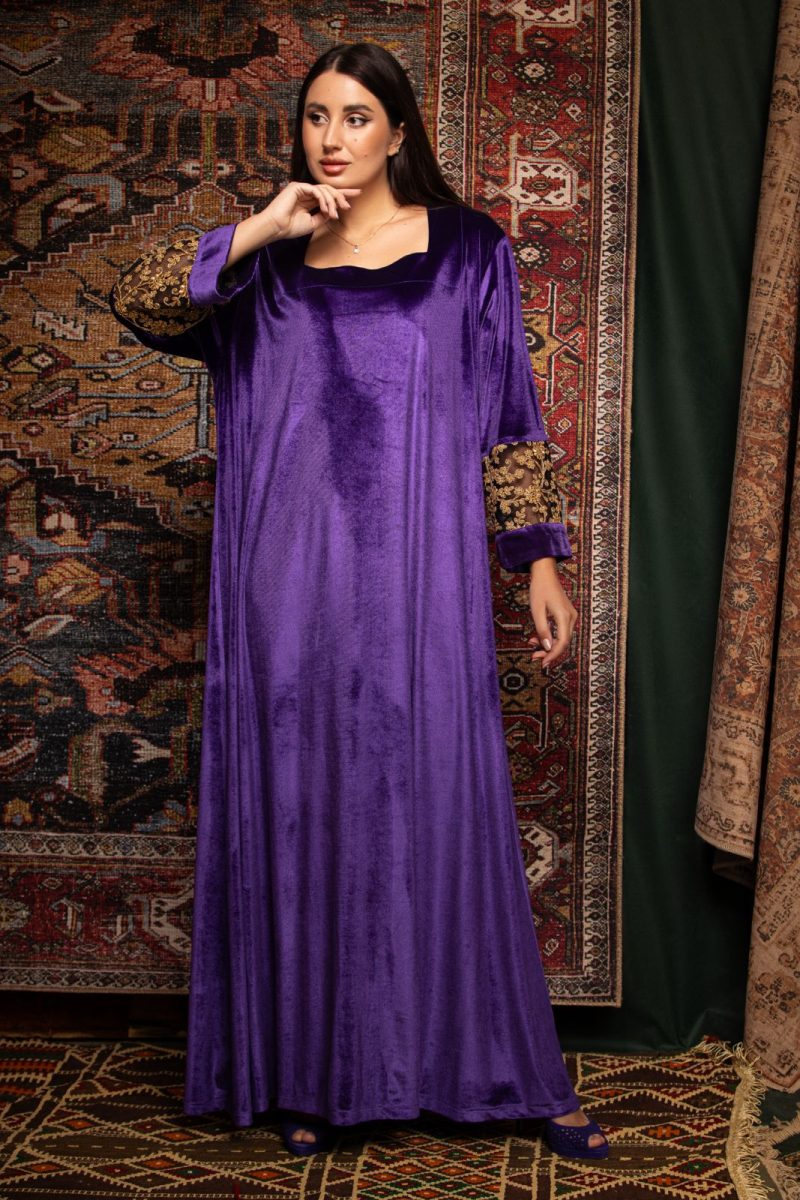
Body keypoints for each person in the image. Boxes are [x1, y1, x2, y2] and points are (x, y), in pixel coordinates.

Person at [109, 41, 608, 1162]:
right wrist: (258, 229)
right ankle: (311, 1076)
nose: (331, 138)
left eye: (356, 117)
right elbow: (134, 298)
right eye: (316, 117)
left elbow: (511, 416)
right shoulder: (268, 260)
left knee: (435, 800)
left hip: (420, 579)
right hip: (285, 581)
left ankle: (491, 1069)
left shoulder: (470, 249)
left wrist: (537, 561)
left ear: (398, 132)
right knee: (306, 807)